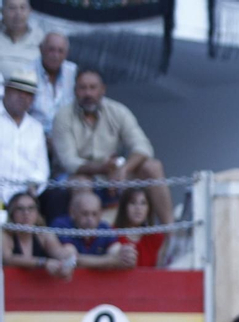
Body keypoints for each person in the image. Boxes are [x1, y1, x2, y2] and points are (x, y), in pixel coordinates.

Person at [50, 68, 172, 224]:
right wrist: (103, 168)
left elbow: (143, 146)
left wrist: (124, 169)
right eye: (83, 88)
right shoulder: (63, 116)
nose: (88, 94)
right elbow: (69, 162)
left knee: (153, 166)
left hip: (112, 174)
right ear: (75, 91)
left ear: (103, 90)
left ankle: (170, 232)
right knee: (81, 182)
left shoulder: (117, 111)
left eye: (93, 88)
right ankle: (87, 242)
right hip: (76, 176)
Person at [54, 187, 134, 270]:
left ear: (100, 214)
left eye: (94, 214)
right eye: (85, 214)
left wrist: (125, 255)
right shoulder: (62, 225)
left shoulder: (105, 228)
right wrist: (111, 261)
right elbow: (72, 259)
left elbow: (117, 254)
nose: (90, 219)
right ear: (72, 212)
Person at [0, 69, 45, 204]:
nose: (23, 97)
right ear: (6, 90)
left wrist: (31, 189)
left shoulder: (36, 128)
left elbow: (42, 170)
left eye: (28, 94)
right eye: (18, 91)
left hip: (23, 199)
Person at [1, 189, 72, 275]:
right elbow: (8, 259)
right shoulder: (5, 234)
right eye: (20, 209)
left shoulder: (43, 234)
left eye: (31, 208)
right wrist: (42, 263)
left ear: (37, 213)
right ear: (12, 213)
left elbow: (58, 252)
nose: (26, 213)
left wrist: (68, 260)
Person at [29, 31, 74, 137]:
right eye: (51, 50)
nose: (56, 55)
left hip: (67, 137)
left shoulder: (73, 73)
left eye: (60, 51)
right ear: (41, 49)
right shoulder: (27, 73)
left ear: (66, 54)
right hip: (35, 136)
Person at [112, 185, 164, 268]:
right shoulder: (111, 233)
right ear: (124, 207)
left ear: (149, 209)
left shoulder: (156, 237)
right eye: (133, 203)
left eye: (143, 203)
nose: (138, 208)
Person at [0, 0, 43, 70]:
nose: (18, 14)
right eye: (12, 8)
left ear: (30, 11)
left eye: (22, 8)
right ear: (2, 11)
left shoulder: (41, 38)